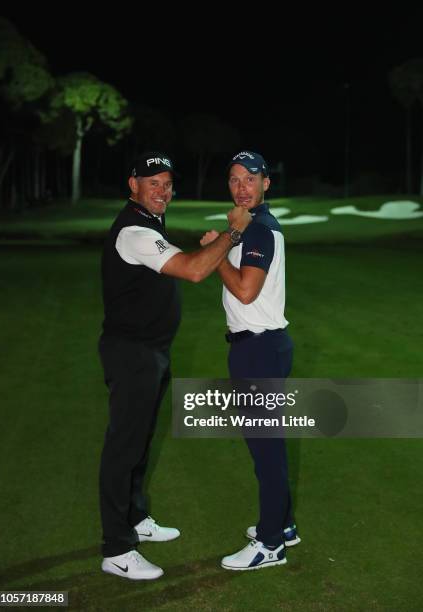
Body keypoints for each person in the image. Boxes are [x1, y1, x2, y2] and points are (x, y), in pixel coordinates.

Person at [99, 151, 251, 581]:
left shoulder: (149, 221)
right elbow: (193, 270)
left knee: (141, 440)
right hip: (132, 353)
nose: (162, 191)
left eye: (167, 183)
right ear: (133, 185)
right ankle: (116, 549)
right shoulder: (133, 230)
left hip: (150, 351)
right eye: (153, 183)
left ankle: (135, 519)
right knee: (123, 447)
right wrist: (232, 234)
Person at [200, 151, 300, 571]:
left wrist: (216, 251)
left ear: (266, 184)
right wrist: (229, 238)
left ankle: (271, 543)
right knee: (269, 446)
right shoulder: (249, 226)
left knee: (266, 451)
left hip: (257, 350)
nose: (242, 187)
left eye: (250, 180)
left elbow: (245, 292)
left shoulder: (258, 230)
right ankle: (285, 525)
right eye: (235, 180)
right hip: (264, 346)